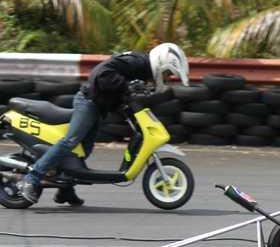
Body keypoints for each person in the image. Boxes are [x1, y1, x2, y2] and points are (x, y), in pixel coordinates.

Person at [18, 43, 190, 205]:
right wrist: (127, 86)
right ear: (161, 62)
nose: (166, 78)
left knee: (82, 151)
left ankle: (65, 189)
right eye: (167, 73)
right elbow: (101, 74)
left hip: (98, 106)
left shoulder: (142, 69)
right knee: (71, 141)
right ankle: (31, 178)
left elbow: (122, 90)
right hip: (87, 102)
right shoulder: (136, 62)